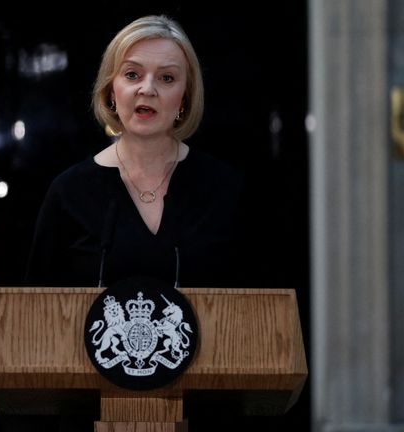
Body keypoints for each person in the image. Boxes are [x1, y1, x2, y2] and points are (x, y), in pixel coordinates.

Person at [26, 15, 246, 291]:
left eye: (167, 78)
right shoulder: (68, 193)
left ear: (184, 97)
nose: (147, 89)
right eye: (132, 75)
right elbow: (35, 316)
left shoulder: (225, 188)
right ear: (111, 91)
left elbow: (261, 315)